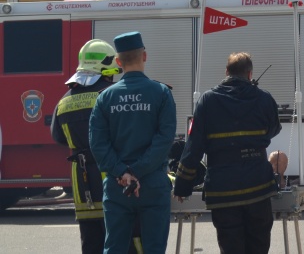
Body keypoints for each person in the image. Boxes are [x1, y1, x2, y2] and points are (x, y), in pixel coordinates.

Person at [174, 52, 282, 254]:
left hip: (223, 191)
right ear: (250, 74)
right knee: (259, 247)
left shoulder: (208, 100)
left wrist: (182, 184)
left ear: (226, 72)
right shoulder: (264, 98)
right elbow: (274, 129)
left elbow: (194, 146)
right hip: (258, 187)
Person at [89, 31, 177, 254]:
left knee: (115, 248)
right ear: (144, 56)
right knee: (154, 248)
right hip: (153, 183)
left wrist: (123, 173)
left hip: (118, 186)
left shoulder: (105, 97)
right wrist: (137, 171)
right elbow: (164, 140)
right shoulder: (161, 93)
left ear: (118, 62)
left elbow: (98, 143)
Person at [51, 40, 126, 254]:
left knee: (91, 241)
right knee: (120, 239)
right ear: (106, 68)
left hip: (81, 182)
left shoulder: (64, 101)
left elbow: (59, 137)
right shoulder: (112, 96)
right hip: (113, 177)